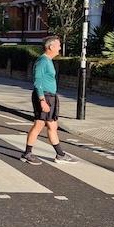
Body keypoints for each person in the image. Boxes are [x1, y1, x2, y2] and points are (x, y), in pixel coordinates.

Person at [21, 36, 77, 165]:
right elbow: (37, 81)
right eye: (58, 45)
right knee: (39, 124)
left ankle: (60, 154)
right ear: (51, 47)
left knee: (52, 125)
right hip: (44, 96)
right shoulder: (42, 61)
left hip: (50, 96)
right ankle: (27, 153)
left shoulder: (48, 60)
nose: (60, 48)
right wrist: (42, 100)